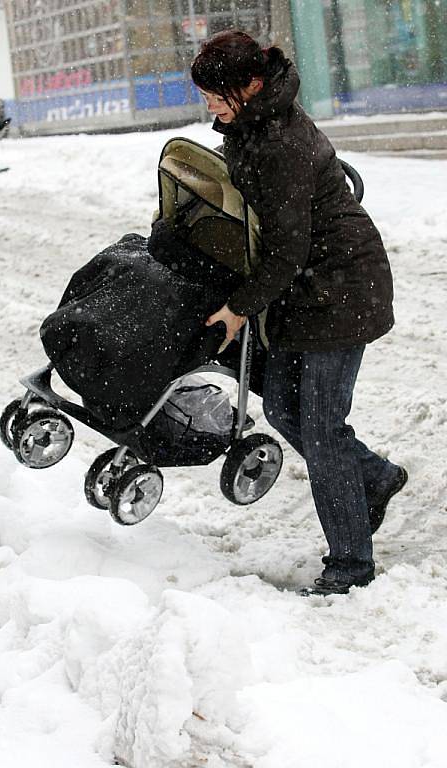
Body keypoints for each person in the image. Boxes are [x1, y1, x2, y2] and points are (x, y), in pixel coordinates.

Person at [191, 30, 408, 595]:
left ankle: (351, 565)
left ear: (252, 85)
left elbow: (286, 248)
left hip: (340, 287)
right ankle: (376, 478)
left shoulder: (279, 143)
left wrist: (239, 308)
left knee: (320, 427)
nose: (209, 106)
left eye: (217, 95)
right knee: (285, 408)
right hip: (301, 289)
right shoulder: (253, 121)